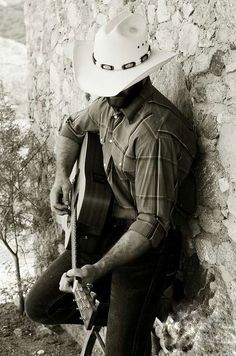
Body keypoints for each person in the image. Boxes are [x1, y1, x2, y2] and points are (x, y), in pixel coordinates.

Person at [25, 11, 197, 356]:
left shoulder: (155, 133)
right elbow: (71, 128)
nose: (105, 94)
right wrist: (62, 174)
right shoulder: (109, 105)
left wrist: (96, 268)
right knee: (40, 305)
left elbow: (150, 225)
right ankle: (128, 320)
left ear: (137, 78)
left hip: (145, 248)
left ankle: (133, 321)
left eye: (113, 86)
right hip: (100, 226)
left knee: (120, 352)